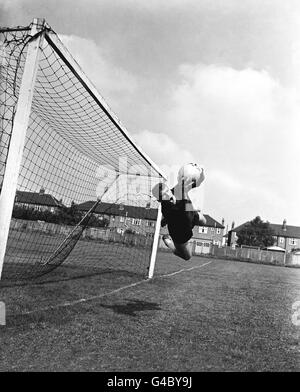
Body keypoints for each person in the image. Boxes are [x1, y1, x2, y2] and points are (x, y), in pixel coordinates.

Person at [152, 164, 206, 261]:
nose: (167, 195)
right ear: (160, 200)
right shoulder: (170, 209)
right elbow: (175, 217)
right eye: (163, 196)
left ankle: (195, 213)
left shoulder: (178, 189)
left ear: (169, 189)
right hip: (180, 233)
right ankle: (169, 243)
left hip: (189, 214)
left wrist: (201, 175)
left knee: (204, 221)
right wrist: (164, 220)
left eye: (167, 191)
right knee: (187, 256)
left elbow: (194, 183)